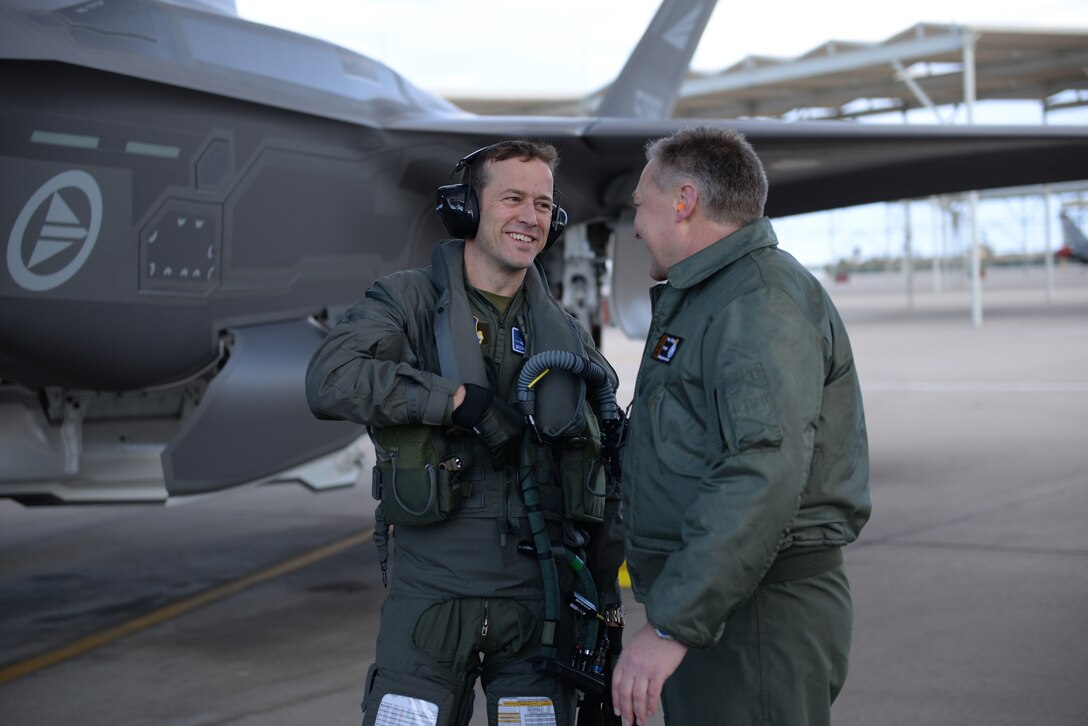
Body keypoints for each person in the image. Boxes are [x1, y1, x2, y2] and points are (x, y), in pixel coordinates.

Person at [306, 140, 624, 726]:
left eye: (543, 204)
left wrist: (606, 611)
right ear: (467, 208)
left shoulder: (567, 336)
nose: (531, 217)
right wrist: (454, 401)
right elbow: (331, 379)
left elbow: (603, 473)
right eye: (512, 198)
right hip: (431, 600)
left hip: (539, 611)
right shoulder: (407, 302)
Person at [611, 126, 871, 726]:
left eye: (639, 207)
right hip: (726, 608)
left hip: (756, 622)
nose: (635, 227)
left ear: (683, 202)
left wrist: (674, 623)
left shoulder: (756, 300)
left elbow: (762, 470)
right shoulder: (714, 295)